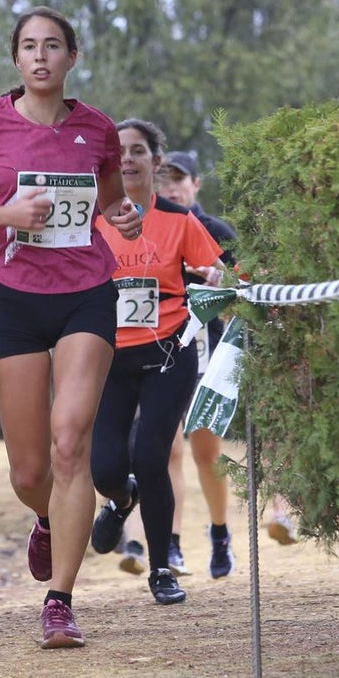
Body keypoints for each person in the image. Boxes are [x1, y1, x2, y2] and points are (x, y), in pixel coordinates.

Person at [0, 6, 142, 648]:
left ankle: (61, 602)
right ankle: (48, 518)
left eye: (54, 46)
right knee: (30, 472)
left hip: (87, 294)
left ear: (72, 58)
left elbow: (109, 202)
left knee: (70, 443)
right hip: (14, 299)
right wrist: (7, 214)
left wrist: (125, 218)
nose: (42, 56)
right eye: (30, 46)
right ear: (17, 60)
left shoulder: (97, 129)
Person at [88, 119, 227, 605]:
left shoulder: (179, 221)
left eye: (137, 151)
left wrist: (214, 276)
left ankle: (162, 567)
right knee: (104, 468)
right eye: (119, 151)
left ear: (154, 161)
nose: (127, 158)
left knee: (152, 457)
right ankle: (120, 499)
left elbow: (218, 271)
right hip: (109, 359)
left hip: (170, 353)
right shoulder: (93, 223)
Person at [154, 149, 240, 579]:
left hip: (210, 350)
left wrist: (221, 279)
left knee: (207, 453)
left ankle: (220, 535)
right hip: (162, 350)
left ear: (196, 184)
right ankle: (170, 548)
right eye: (164, 180)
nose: (171, 188)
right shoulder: (147, 226)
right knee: (167, 449)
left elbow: (249, 283)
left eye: (179, 180)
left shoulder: (216, 230)